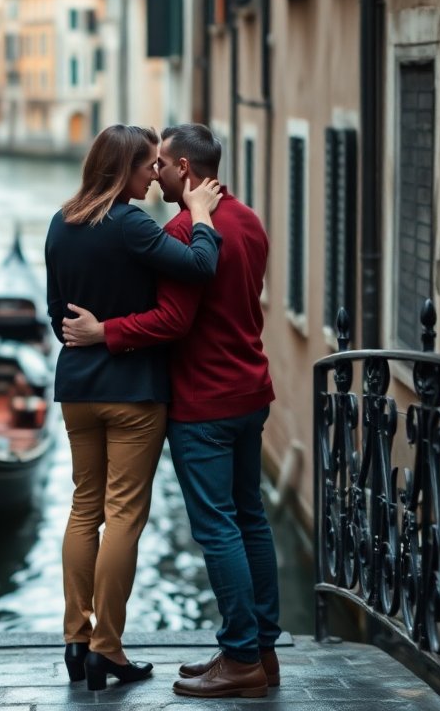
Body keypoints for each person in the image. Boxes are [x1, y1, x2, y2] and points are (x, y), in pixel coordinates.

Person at [61, 123, 280, 699]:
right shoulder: (250, 220)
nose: (153, 175)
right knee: (250, 518)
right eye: (147, 165)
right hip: (250, 391)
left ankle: (239, 656)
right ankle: (259, 649)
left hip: (201, 401)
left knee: (214, 527)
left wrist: (103, 330)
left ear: (184, 169)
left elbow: (174, 321)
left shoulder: (184, 229)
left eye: (161, 165)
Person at [44, 124, 223, 692]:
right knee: (123, 516)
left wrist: (89, 336)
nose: (155, 173)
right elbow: (199, 266)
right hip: (134, 391)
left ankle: (76, 638)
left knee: (83, 510)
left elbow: (58, 319)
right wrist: (201, 215)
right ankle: (107, 651)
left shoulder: (60, 222)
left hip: (77, 390)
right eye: (148, 164)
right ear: (124, 169)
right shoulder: (130, 223)